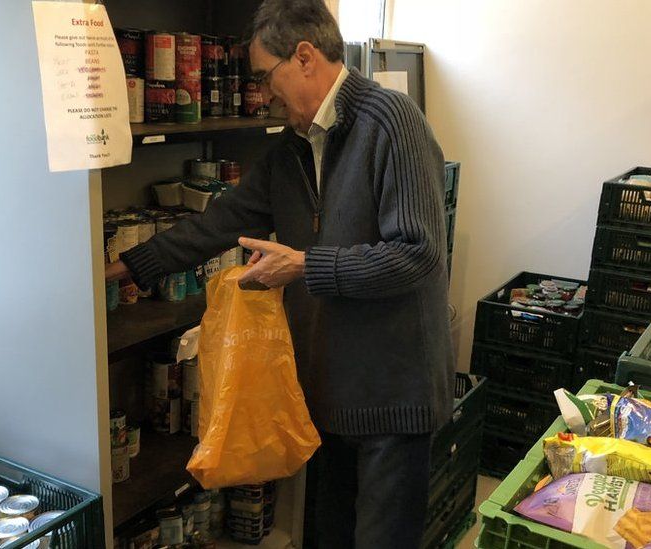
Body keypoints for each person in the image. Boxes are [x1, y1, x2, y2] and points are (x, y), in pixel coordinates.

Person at [106, 0, 451, 546]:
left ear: (306, 57)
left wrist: (305, 264)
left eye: (267, 76)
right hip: (331, 386)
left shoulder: (392, 122)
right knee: (327, 535)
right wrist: (120, 267)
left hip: (393, 391)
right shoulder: (294, 149)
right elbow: (218, 222)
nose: (264, 94)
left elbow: (417, 255)